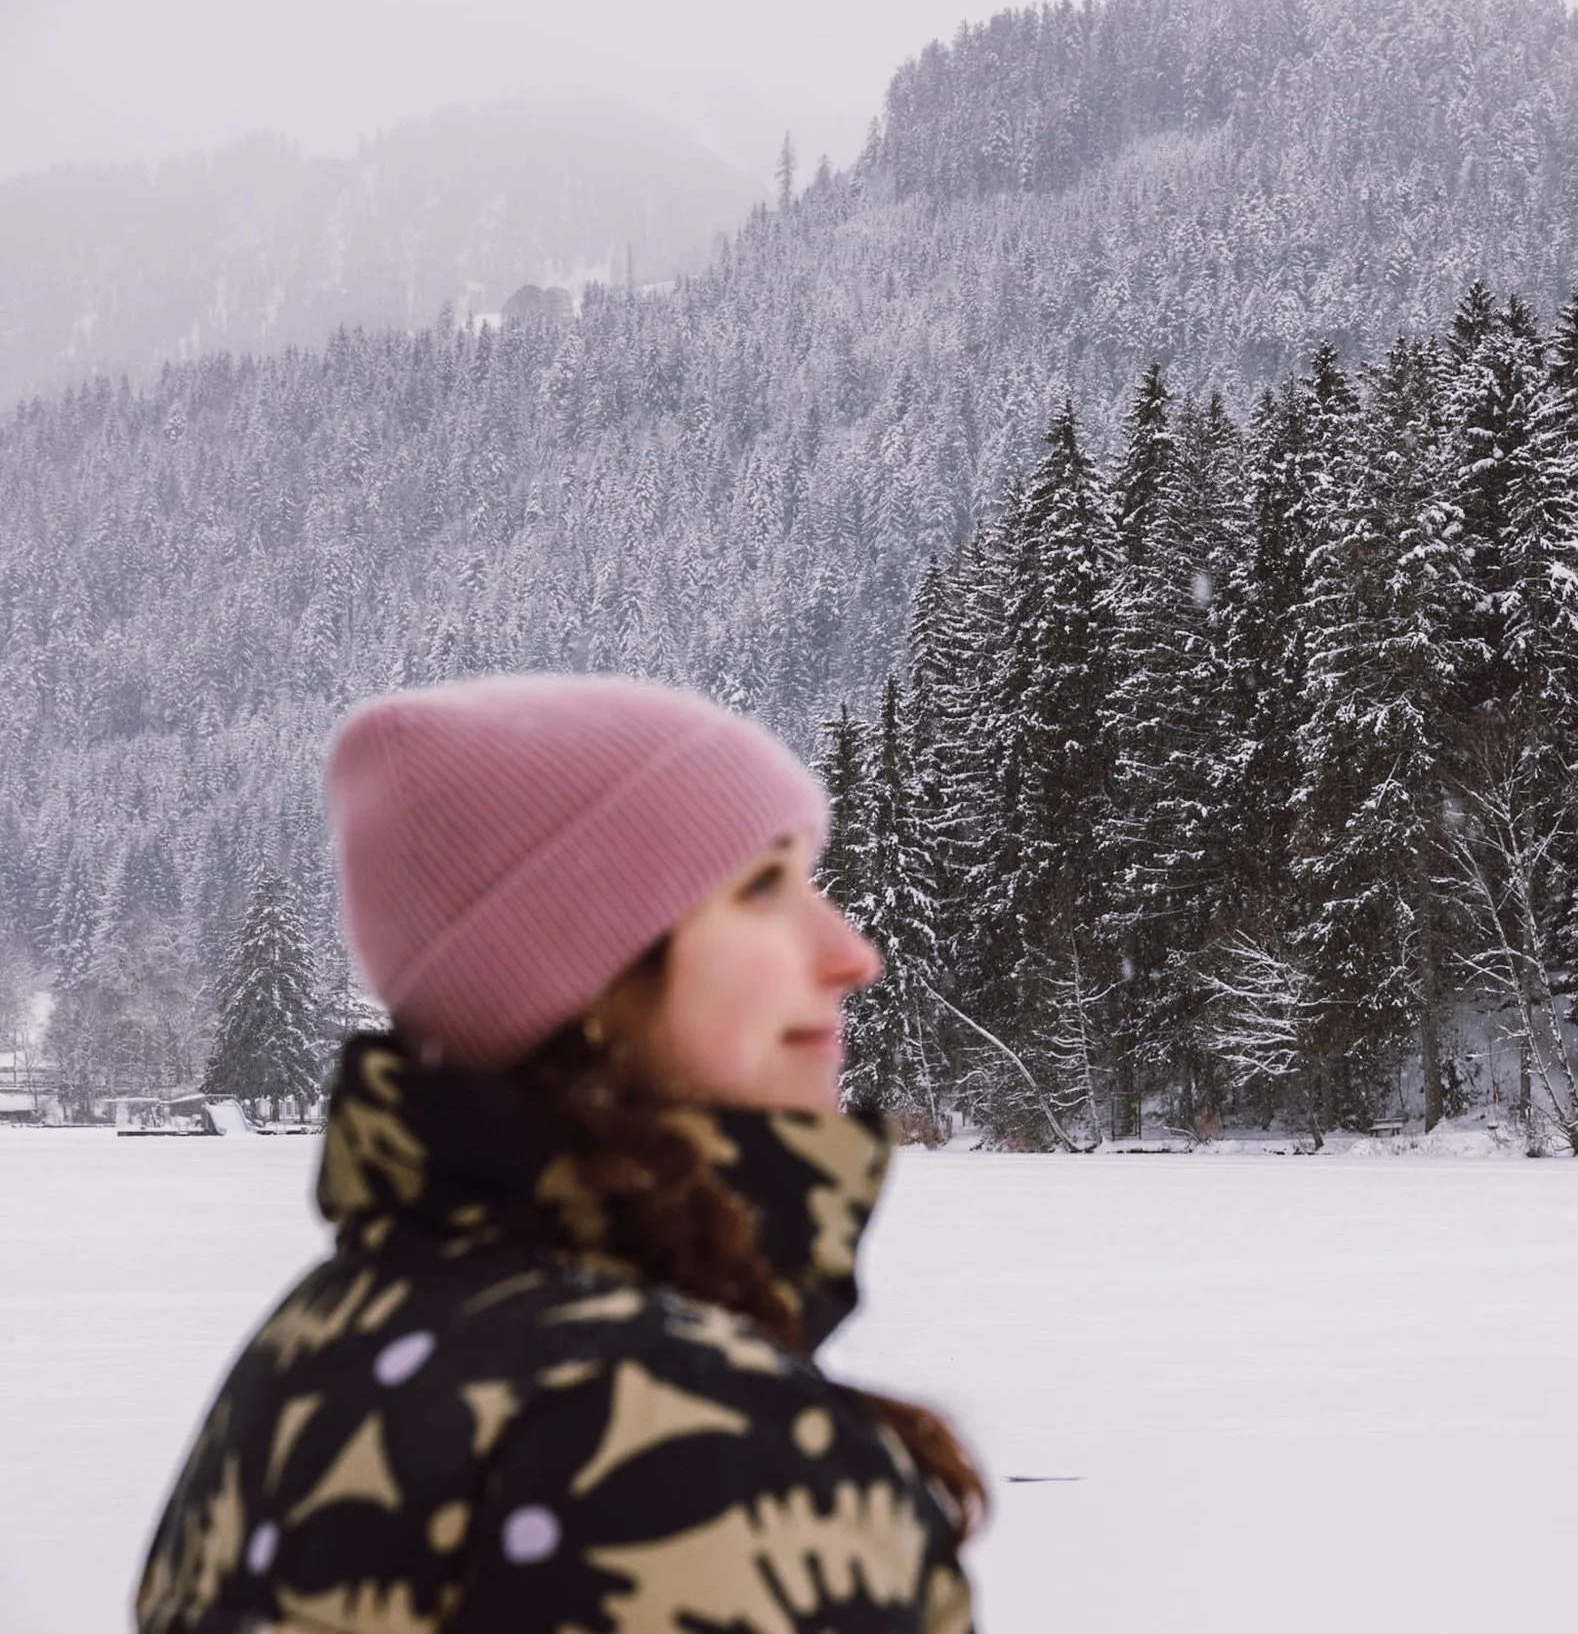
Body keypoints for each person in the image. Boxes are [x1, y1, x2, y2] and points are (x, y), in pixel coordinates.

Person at [136, 673, 982, 1634]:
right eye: (761, 887)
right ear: (580, 974)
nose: (849, 952)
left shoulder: (314, 1349)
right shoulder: (670, 1426)